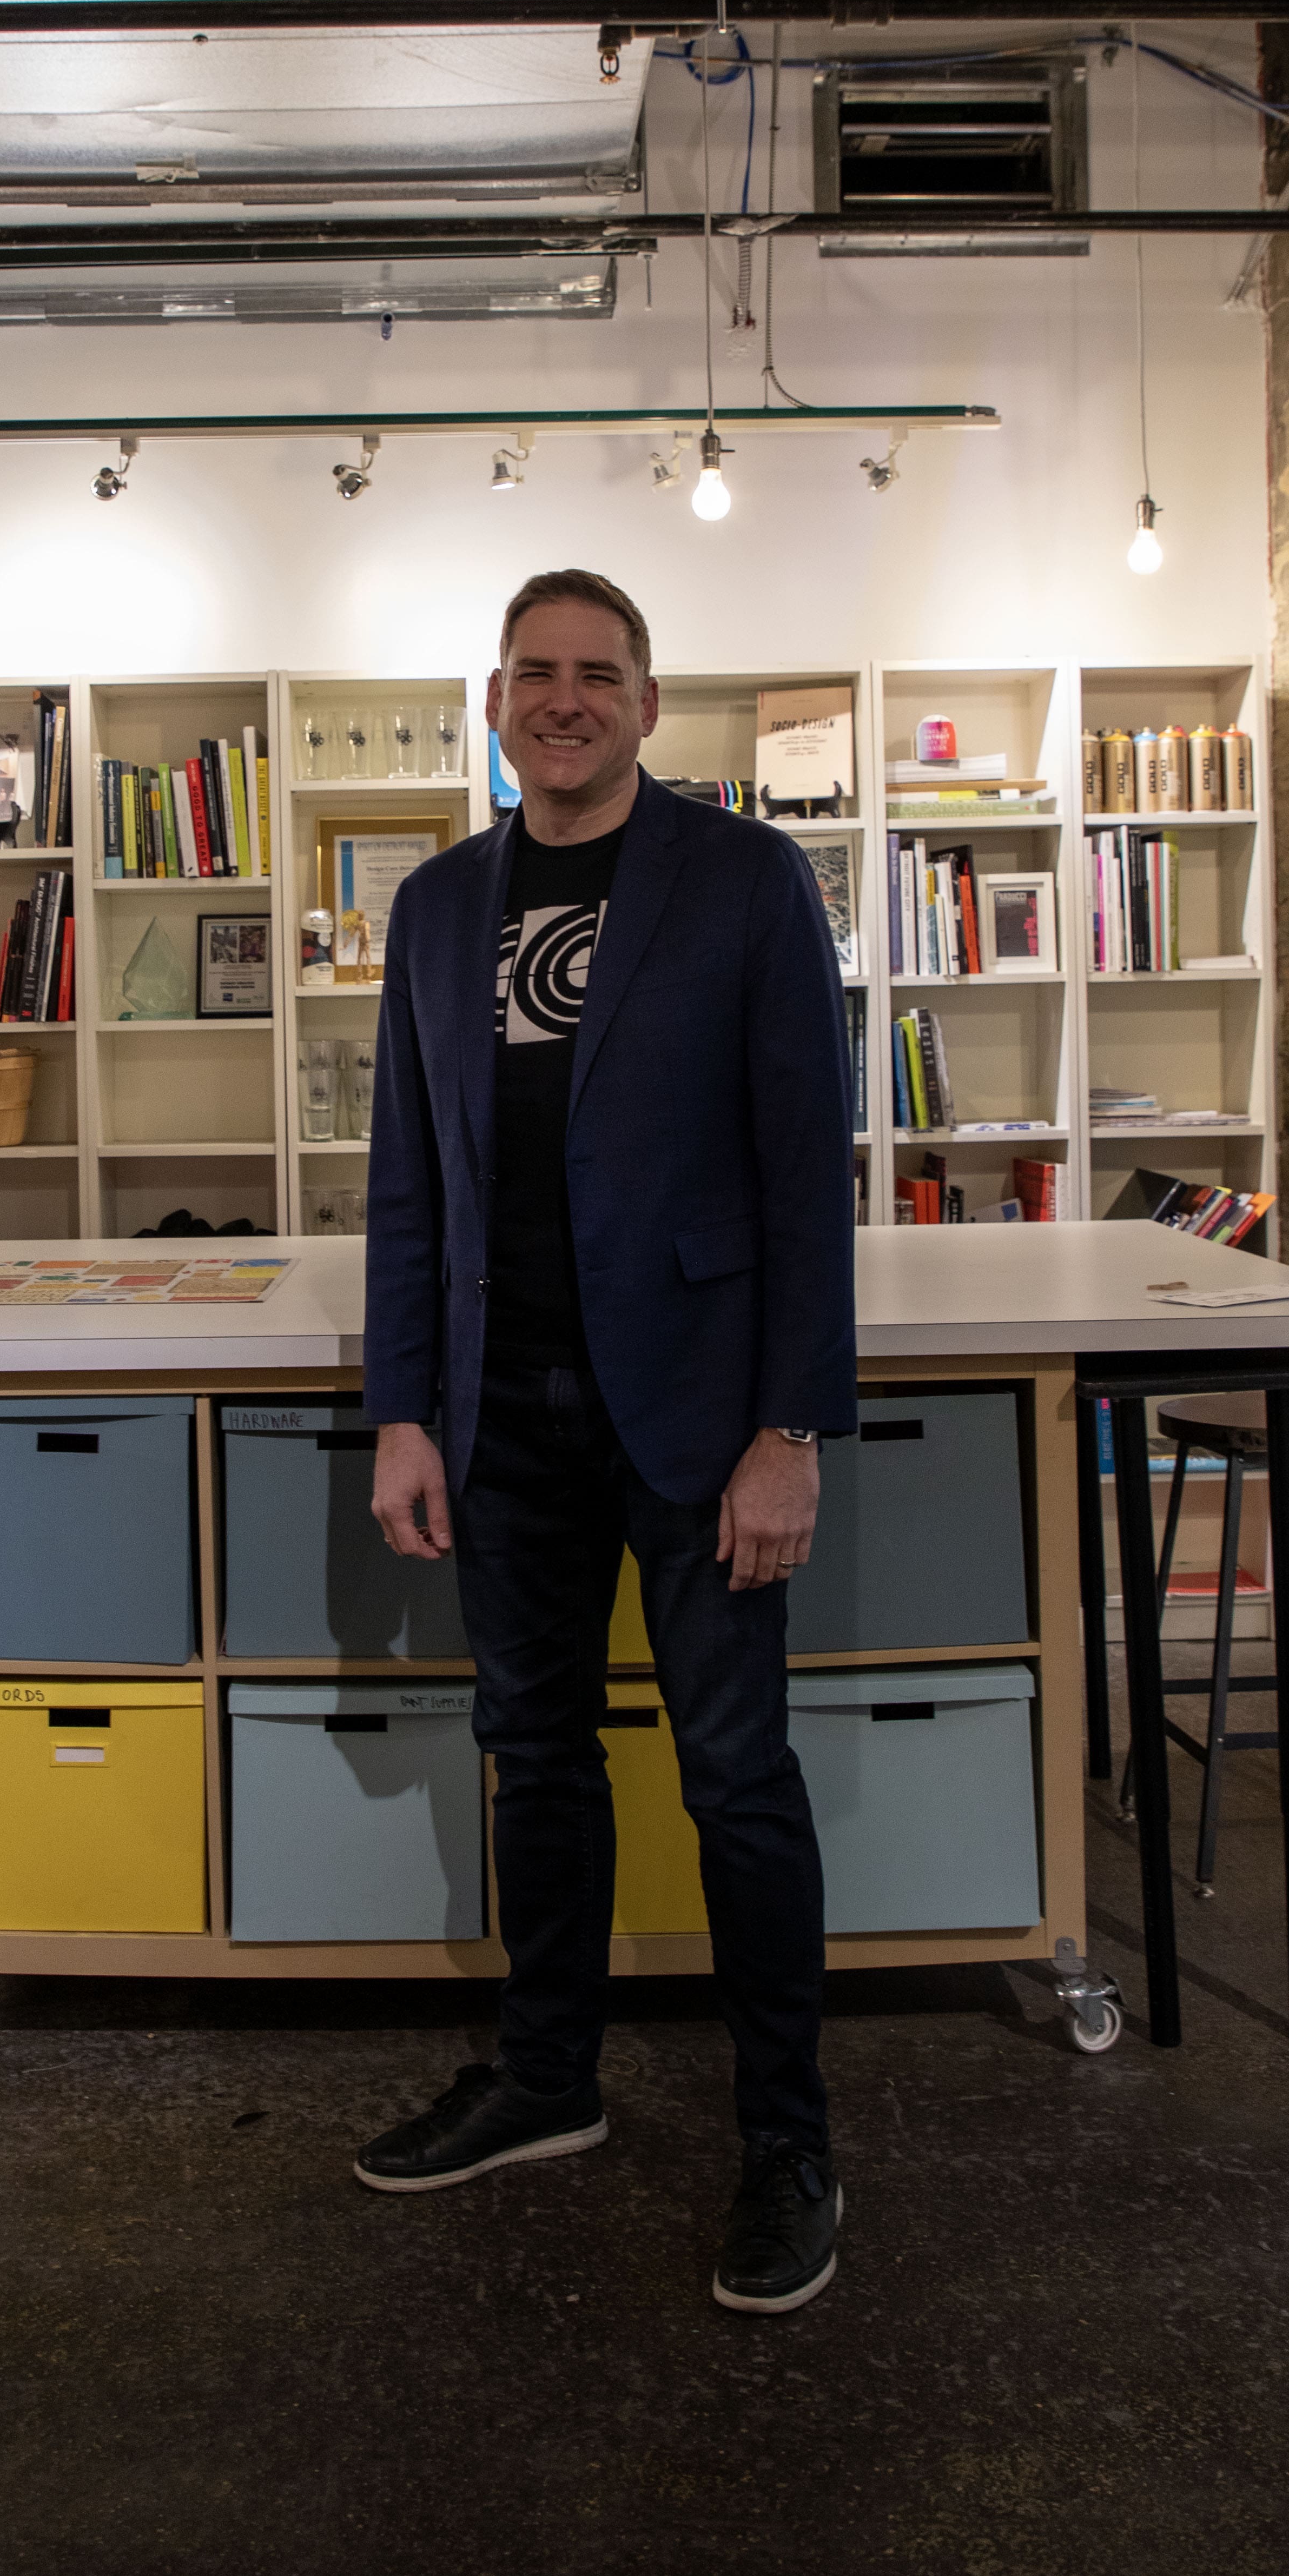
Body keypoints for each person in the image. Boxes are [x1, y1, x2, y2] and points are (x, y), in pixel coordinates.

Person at [359, 569, 858, 2314]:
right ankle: (548, 2080)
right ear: (495, 700)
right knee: (538, 1756)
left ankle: (787, 2142)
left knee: (735, 1775)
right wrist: (408, 1410)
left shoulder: (742, 882)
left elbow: (810, 1173)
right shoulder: (435, 910)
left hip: (702, 1422)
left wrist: (791, 1426)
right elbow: (409, 1187)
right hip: (506, 1424)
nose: (563, 699)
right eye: (534, 673)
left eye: (599, 674)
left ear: (650, 704)